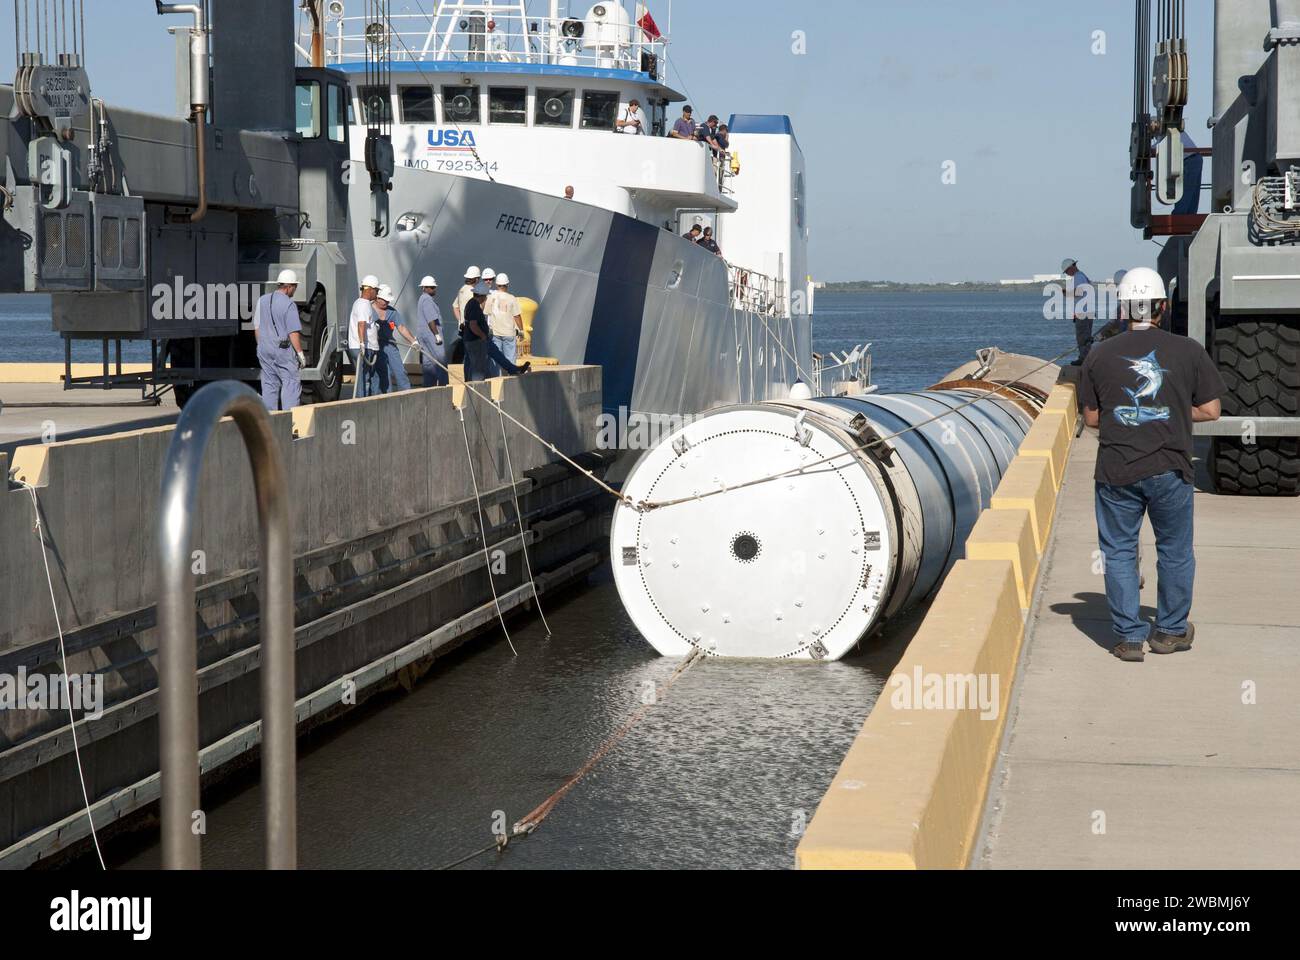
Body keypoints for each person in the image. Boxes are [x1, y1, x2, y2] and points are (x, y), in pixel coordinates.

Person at [1080, 266, 1226, 663]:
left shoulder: (1098, 354)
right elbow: (1211, 410)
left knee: (1120, 552)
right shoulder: (1189, 349)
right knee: (1175, 551)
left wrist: (1135, 412)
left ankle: (1128, 639)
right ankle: (1170, 632)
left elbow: (1092, 419)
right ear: (1162, 306)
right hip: (1171, 470)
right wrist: (1170, 411)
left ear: (1124, 307)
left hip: (1116, 472)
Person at [253, 269, 305, 411]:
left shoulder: (262, 300)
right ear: (288, 287)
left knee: (269, 384)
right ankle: (291, 420)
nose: (295, 290)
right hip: (283, 350)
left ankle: (271, 420)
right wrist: (300, 353)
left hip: (264, 348)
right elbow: (293, 332)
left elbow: (257, 327)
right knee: (291, 382)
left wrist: (261, 345)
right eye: (295, 287)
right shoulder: (289, 305)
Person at [463, 282, 531, 382]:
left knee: (495, 353)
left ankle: (513, 369)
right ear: (481, 296)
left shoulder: (471, 303)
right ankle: (475, 387)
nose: (486, 298)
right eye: (485, 296)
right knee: (478, 368)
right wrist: (482, 336)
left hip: (476, 340)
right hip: (477, 341)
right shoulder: (474, 306)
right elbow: (473, 325)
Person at [374, 285, 416, 393]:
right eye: (385, 300)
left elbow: (401, 328)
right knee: (383, 374)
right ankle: (385, 397)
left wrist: (413, 341)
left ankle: (407, 394)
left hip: (390, 346)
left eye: (388, 300)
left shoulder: (392, 312)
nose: (387, 303)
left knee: (400, 372)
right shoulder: (369, 310)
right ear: (378, 298)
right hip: (376, 347)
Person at [348, 274, 381, 398]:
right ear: (370, 289)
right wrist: (362, 343)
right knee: (362, 378)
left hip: (364, 346)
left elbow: (365, 323)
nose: (376, 294)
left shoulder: (361, 303)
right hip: (362, 347)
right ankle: (360, 402)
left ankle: (364, 400)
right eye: (376, 291)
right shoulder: (363, 304)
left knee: (365, 377)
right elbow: (361, 324)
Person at [486, 272, 524, 377]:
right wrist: (521, 330)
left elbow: (486, 312)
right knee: (510, 358)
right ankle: (511, 377)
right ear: (507, 284)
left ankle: (495, 380)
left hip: (495, 332)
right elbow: (517, 316)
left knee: (496, 358)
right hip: (509, 333)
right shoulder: (511, 298)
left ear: (496, 284)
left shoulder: (490, 297)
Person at [1062, 257, 1095, 365]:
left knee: (1082, 337)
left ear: (1071, 268)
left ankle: (1084, 359)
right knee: (1086, 337)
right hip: (1087, 312)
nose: (1067, 273)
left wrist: (1067, 292)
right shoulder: (1082, 276)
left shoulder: (1078, 277)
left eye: (1066, 271)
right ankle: (1087, 358)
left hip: (1083, 313)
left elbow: (1079, 292)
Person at [416, 276, 448, 388]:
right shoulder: (427, 300)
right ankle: (444, 388)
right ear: (425, 288)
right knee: (441, 361)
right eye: (432, 287)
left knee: (428, 363)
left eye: (434, 287)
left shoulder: (422, 299)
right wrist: (437, 335)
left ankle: (429, 388)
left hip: (424, 335)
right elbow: (431, 320)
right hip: (431, 335)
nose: (434, 289)